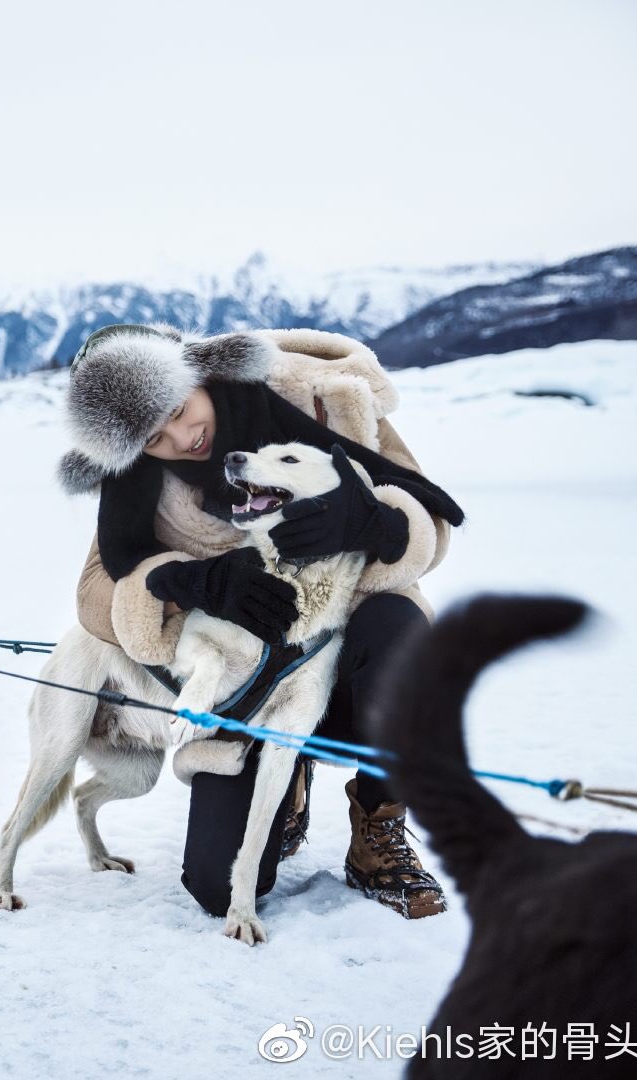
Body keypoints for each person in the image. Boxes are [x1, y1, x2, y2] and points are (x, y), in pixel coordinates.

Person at [59, 323, 463, 920]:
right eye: (152, 436)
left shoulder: (321, 397)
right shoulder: (135, 475)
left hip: (349, 655)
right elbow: (98, 589)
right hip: (246, 685)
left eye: (177, 407)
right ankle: (286, 772)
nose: (181, 436)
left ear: (194, 372)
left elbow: (426, 507)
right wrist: (196, 582)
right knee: (217, 891)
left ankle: (378, 822)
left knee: (398, 628)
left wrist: (374, 523)